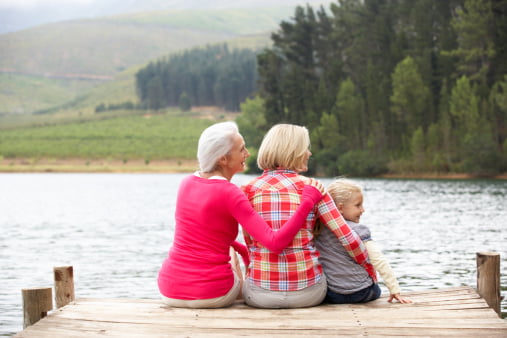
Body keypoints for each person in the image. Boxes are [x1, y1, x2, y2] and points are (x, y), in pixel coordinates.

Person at [157, 121, 325, 309]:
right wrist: (307, 202)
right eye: (242, 150)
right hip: (211, 294)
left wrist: (246, 254)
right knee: (229, 251)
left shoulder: (186, 183)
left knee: (222, 245)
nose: (248, 154)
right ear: (223, 159)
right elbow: (275, 243)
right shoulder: (230, 192)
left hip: (168, 290)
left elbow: (208, 237)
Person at [241, 124, 376, 309]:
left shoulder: (247, 191)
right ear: (293, 150)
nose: (309, 153)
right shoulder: (314, 187)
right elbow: (349, 240)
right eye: (306, 148)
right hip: (308, 294)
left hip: (260, 296)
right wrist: (368, 268)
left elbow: (250, 244)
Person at [315, 178, 412, 304]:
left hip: (334, 295)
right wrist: (395, 290)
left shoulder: (319, 230)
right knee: (375, 289)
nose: (363, 210)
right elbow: (379, 260)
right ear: (340, 208)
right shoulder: (358, 230)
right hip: (361, 293)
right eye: (358, 205)